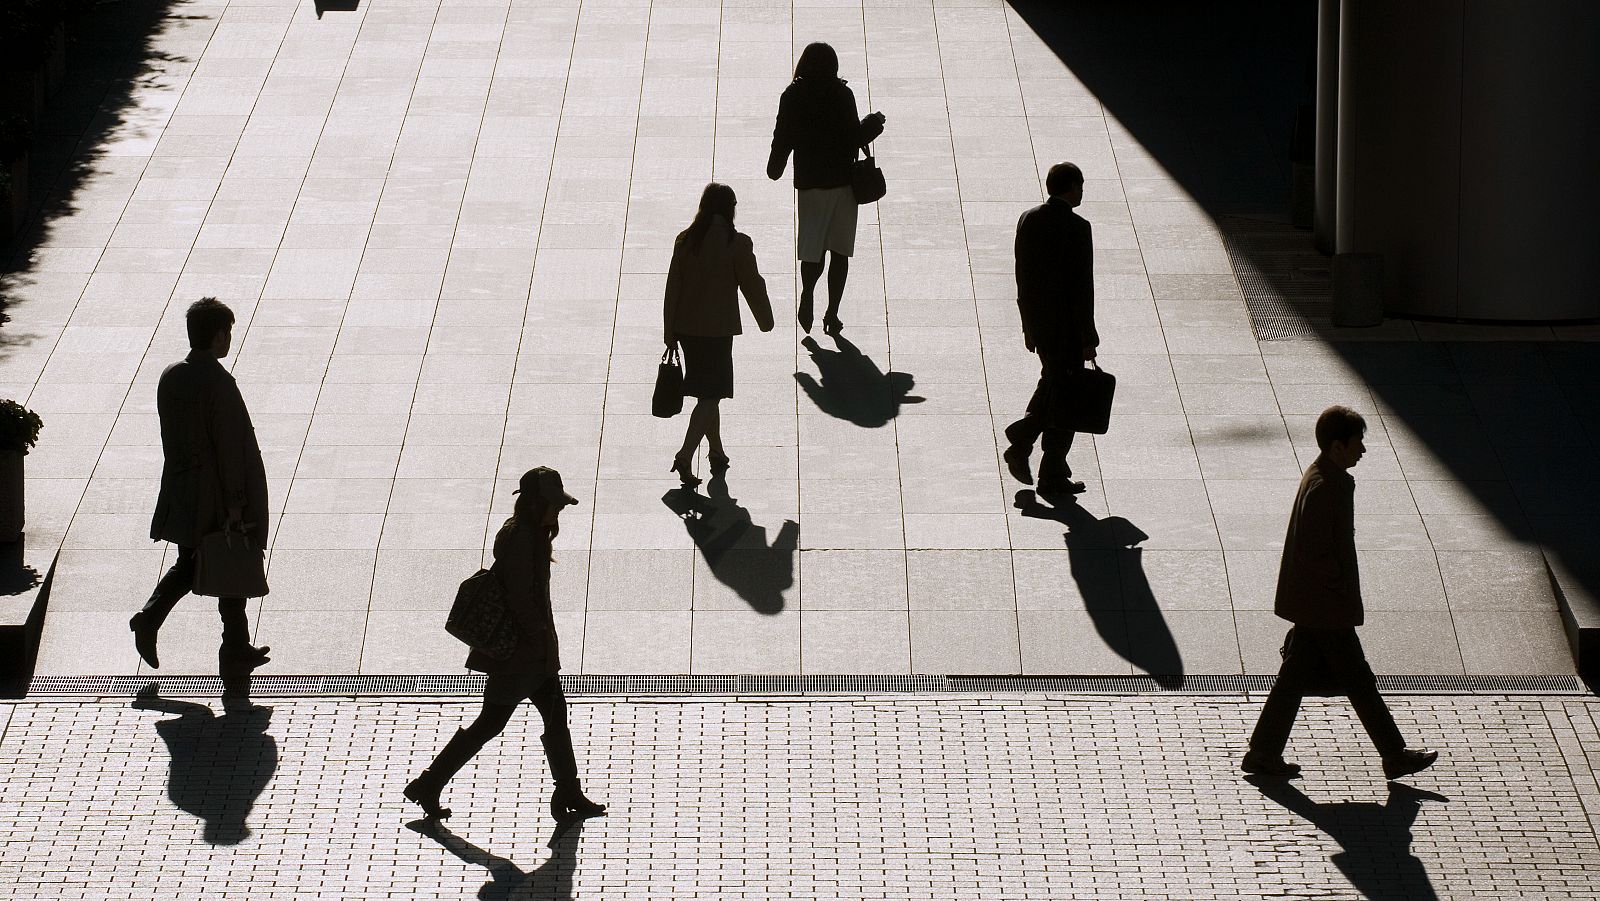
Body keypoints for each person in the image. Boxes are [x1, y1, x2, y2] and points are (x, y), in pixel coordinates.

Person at [1242, 406, 1439, 781]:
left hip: (1314, 603)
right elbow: (1319, 549)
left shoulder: (1322, 476)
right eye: (1357, 443)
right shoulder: (1327, 485)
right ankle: (1393, 755)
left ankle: (1263, 753)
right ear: (1337, 446)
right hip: (1325, 607)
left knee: (1297, 679)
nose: (1362, 450)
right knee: (1358, 679)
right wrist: (1338, 586)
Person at [405, 467, 606, 823]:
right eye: (554, 505)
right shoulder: (522, 540)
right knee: (491, 722)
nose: (558, 511)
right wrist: (536, 640)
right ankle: (429, 783)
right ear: (535, 504)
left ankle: (569, 791)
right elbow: (520, 599)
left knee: (553, 715)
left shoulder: (532, 534)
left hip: (532, 653)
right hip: (519, 656)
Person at [130, 297, 271, 672]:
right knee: (224, 558)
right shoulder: (219, 384)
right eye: (228, 332)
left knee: (195, 560)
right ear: (218, 334)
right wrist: (237, 501)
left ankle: (235, 643)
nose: (230, 340)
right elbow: (229, 448)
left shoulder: (172, 375)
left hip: (183, 490)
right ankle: (155, 620)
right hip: (215, 495)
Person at [767, 41, 886, 335]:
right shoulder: (842, 93)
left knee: (813, 248)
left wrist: (775, 166)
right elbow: (852, 136)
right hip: (844, 183)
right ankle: (832, 313)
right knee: (840, 250)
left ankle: (807, 292)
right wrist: (873, 124)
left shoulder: (792, 95)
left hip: (810, 183)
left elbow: (783, 135)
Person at [663, 182, 774, 486]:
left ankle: (716, 452)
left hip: (686, 329)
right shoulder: (736, 243)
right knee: (712, 395)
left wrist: (668, 330)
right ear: (730, 209)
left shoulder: (685, 241)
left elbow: (673, 287)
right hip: (717, 331)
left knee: (707, 394)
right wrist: (766, 320)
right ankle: (685, 455)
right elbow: (753, 284)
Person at [1001, 162, 1098, 496]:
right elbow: (1082, 288)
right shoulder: (1078, 227)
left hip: (1042, 327)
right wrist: (1088, 336)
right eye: (1081, 186)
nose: (1082, 191)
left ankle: (1048, 465)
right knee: (1065, 398)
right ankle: (1028, 445)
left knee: (1053, 387)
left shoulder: (1029, 219)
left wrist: (1028, 326)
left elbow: (1023, 277)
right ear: (1070, 187)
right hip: (1069, 328)